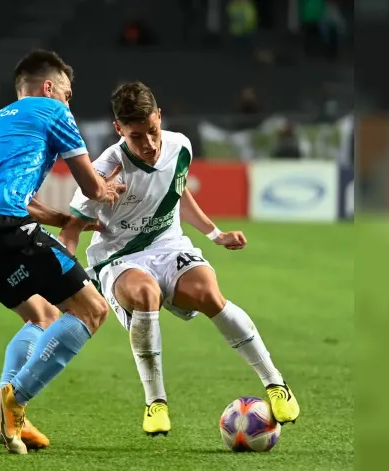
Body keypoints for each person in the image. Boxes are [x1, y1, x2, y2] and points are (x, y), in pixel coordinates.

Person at [57, 81, 300, 436]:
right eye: (136, 136)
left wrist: (215, 234)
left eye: (152, 131)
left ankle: (276, 383)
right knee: (145, 295)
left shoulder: (179, 146)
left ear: (159, 117)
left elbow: (179, 192)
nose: (149, 144)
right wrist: (65, 267)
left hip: (169, 245)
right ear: (119, 129)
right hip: (120, 256)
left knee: (209, 294)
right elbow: (71, 229)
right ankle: (156, 402)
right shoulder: (103, 168)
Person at [0, 49, 126, 455]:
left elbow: (16, 197)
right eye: (67, 93)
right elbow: (92, 186)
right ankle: (14, 400)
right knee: (91, 309)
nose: (68, 102)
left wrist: (65, 220)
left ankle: (4, 410)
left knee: (42, 315)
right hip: (0, 227)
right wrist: (105, 190)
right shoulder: (52, 111)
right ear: (48, 87)